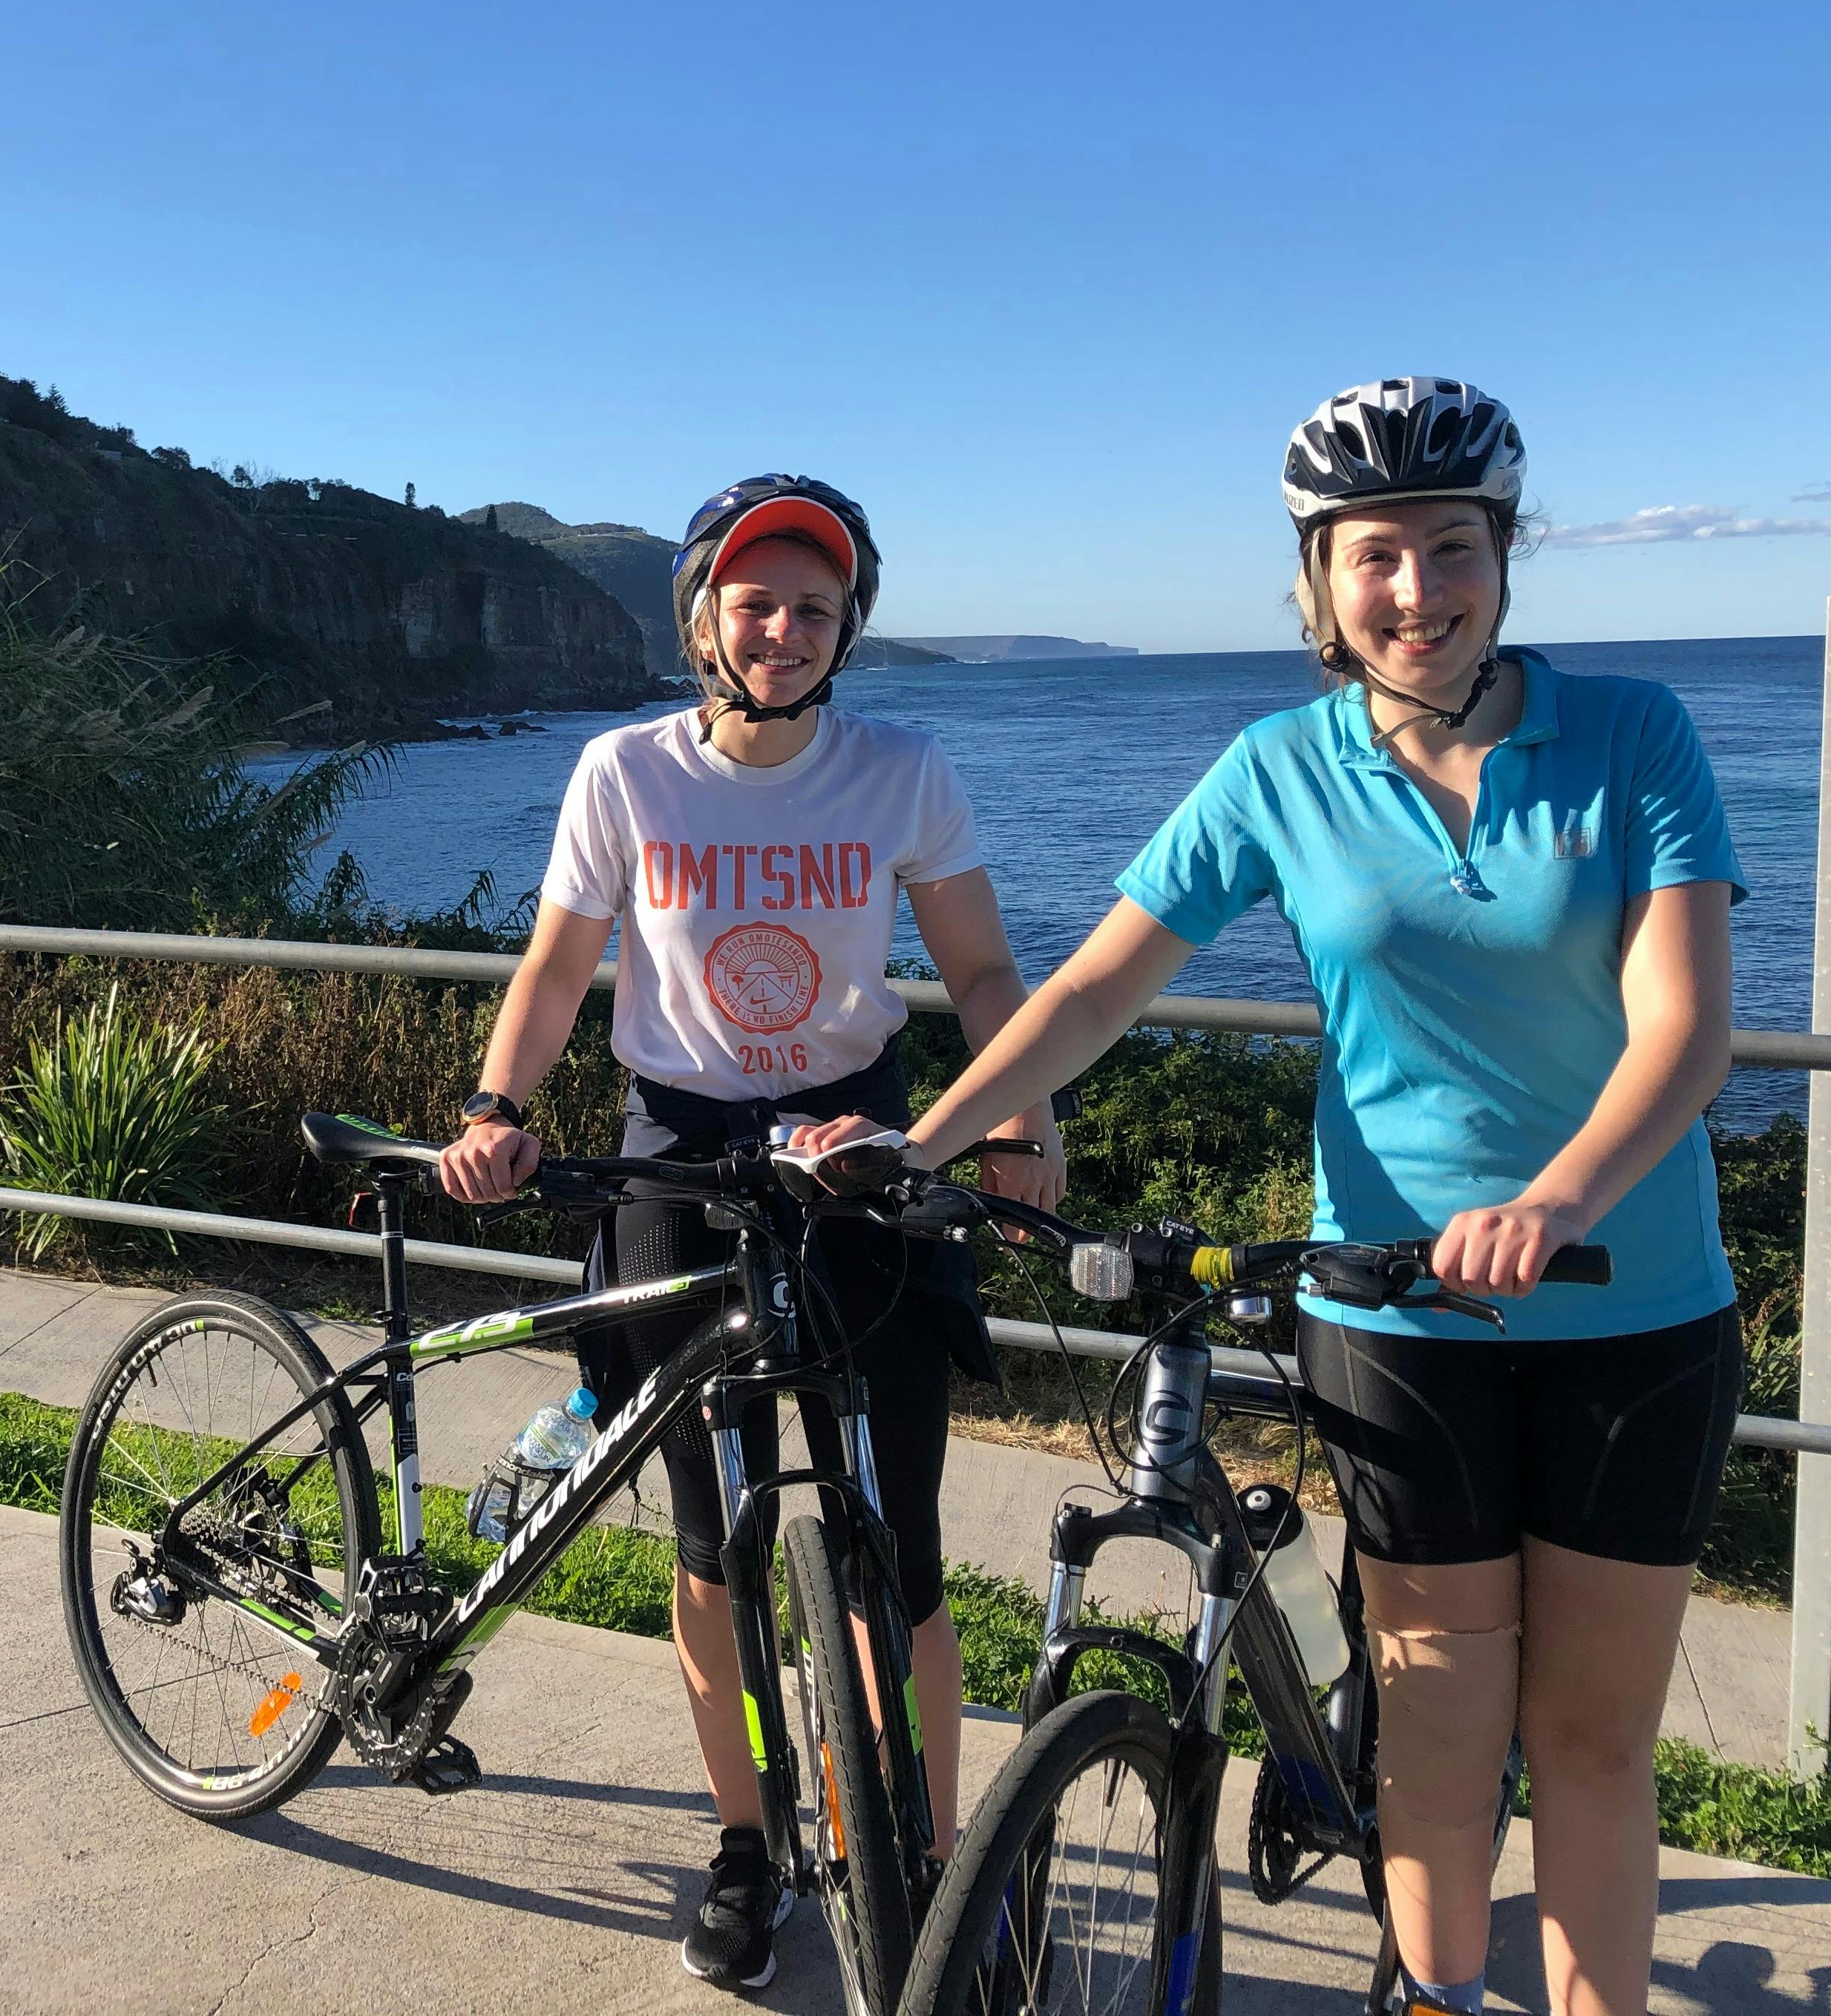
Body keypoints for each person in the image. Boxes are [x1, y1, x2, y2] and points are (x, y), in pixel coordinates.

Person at [842, 381, 1743, 2016]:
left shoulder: (1634, 734)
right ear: (1318, 584)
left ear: (1505, 556)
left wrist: (1550, 1199)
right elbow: (1094, 991)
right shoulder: (1279, 768)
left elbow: (1687, 1032)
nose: (1416, 589)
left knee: (1595, 1745)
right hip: (1398, 1313)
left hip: (1639, 1298)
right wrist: (919, 1144)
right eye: (1374, 555)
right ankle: (1438, 1996)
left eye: (1451, 545)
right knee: (1447, 1732)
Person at [438, 473, 1066, 1993]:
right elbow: (557, 966)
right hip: (679, 1154)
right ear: (704, 617)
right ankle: (745, 1842)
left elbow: (983, 973)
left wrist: (1018, 1121)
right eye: (756, 600)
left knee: (895, 1537)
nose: (783, 629)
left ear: (849, 627)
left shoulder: (902, 769)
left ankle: (927, 1849)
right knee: (714, 1545)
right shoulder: (624, 776)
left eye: (815, 606)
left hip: (855, 1148)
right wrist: (489, 1105)